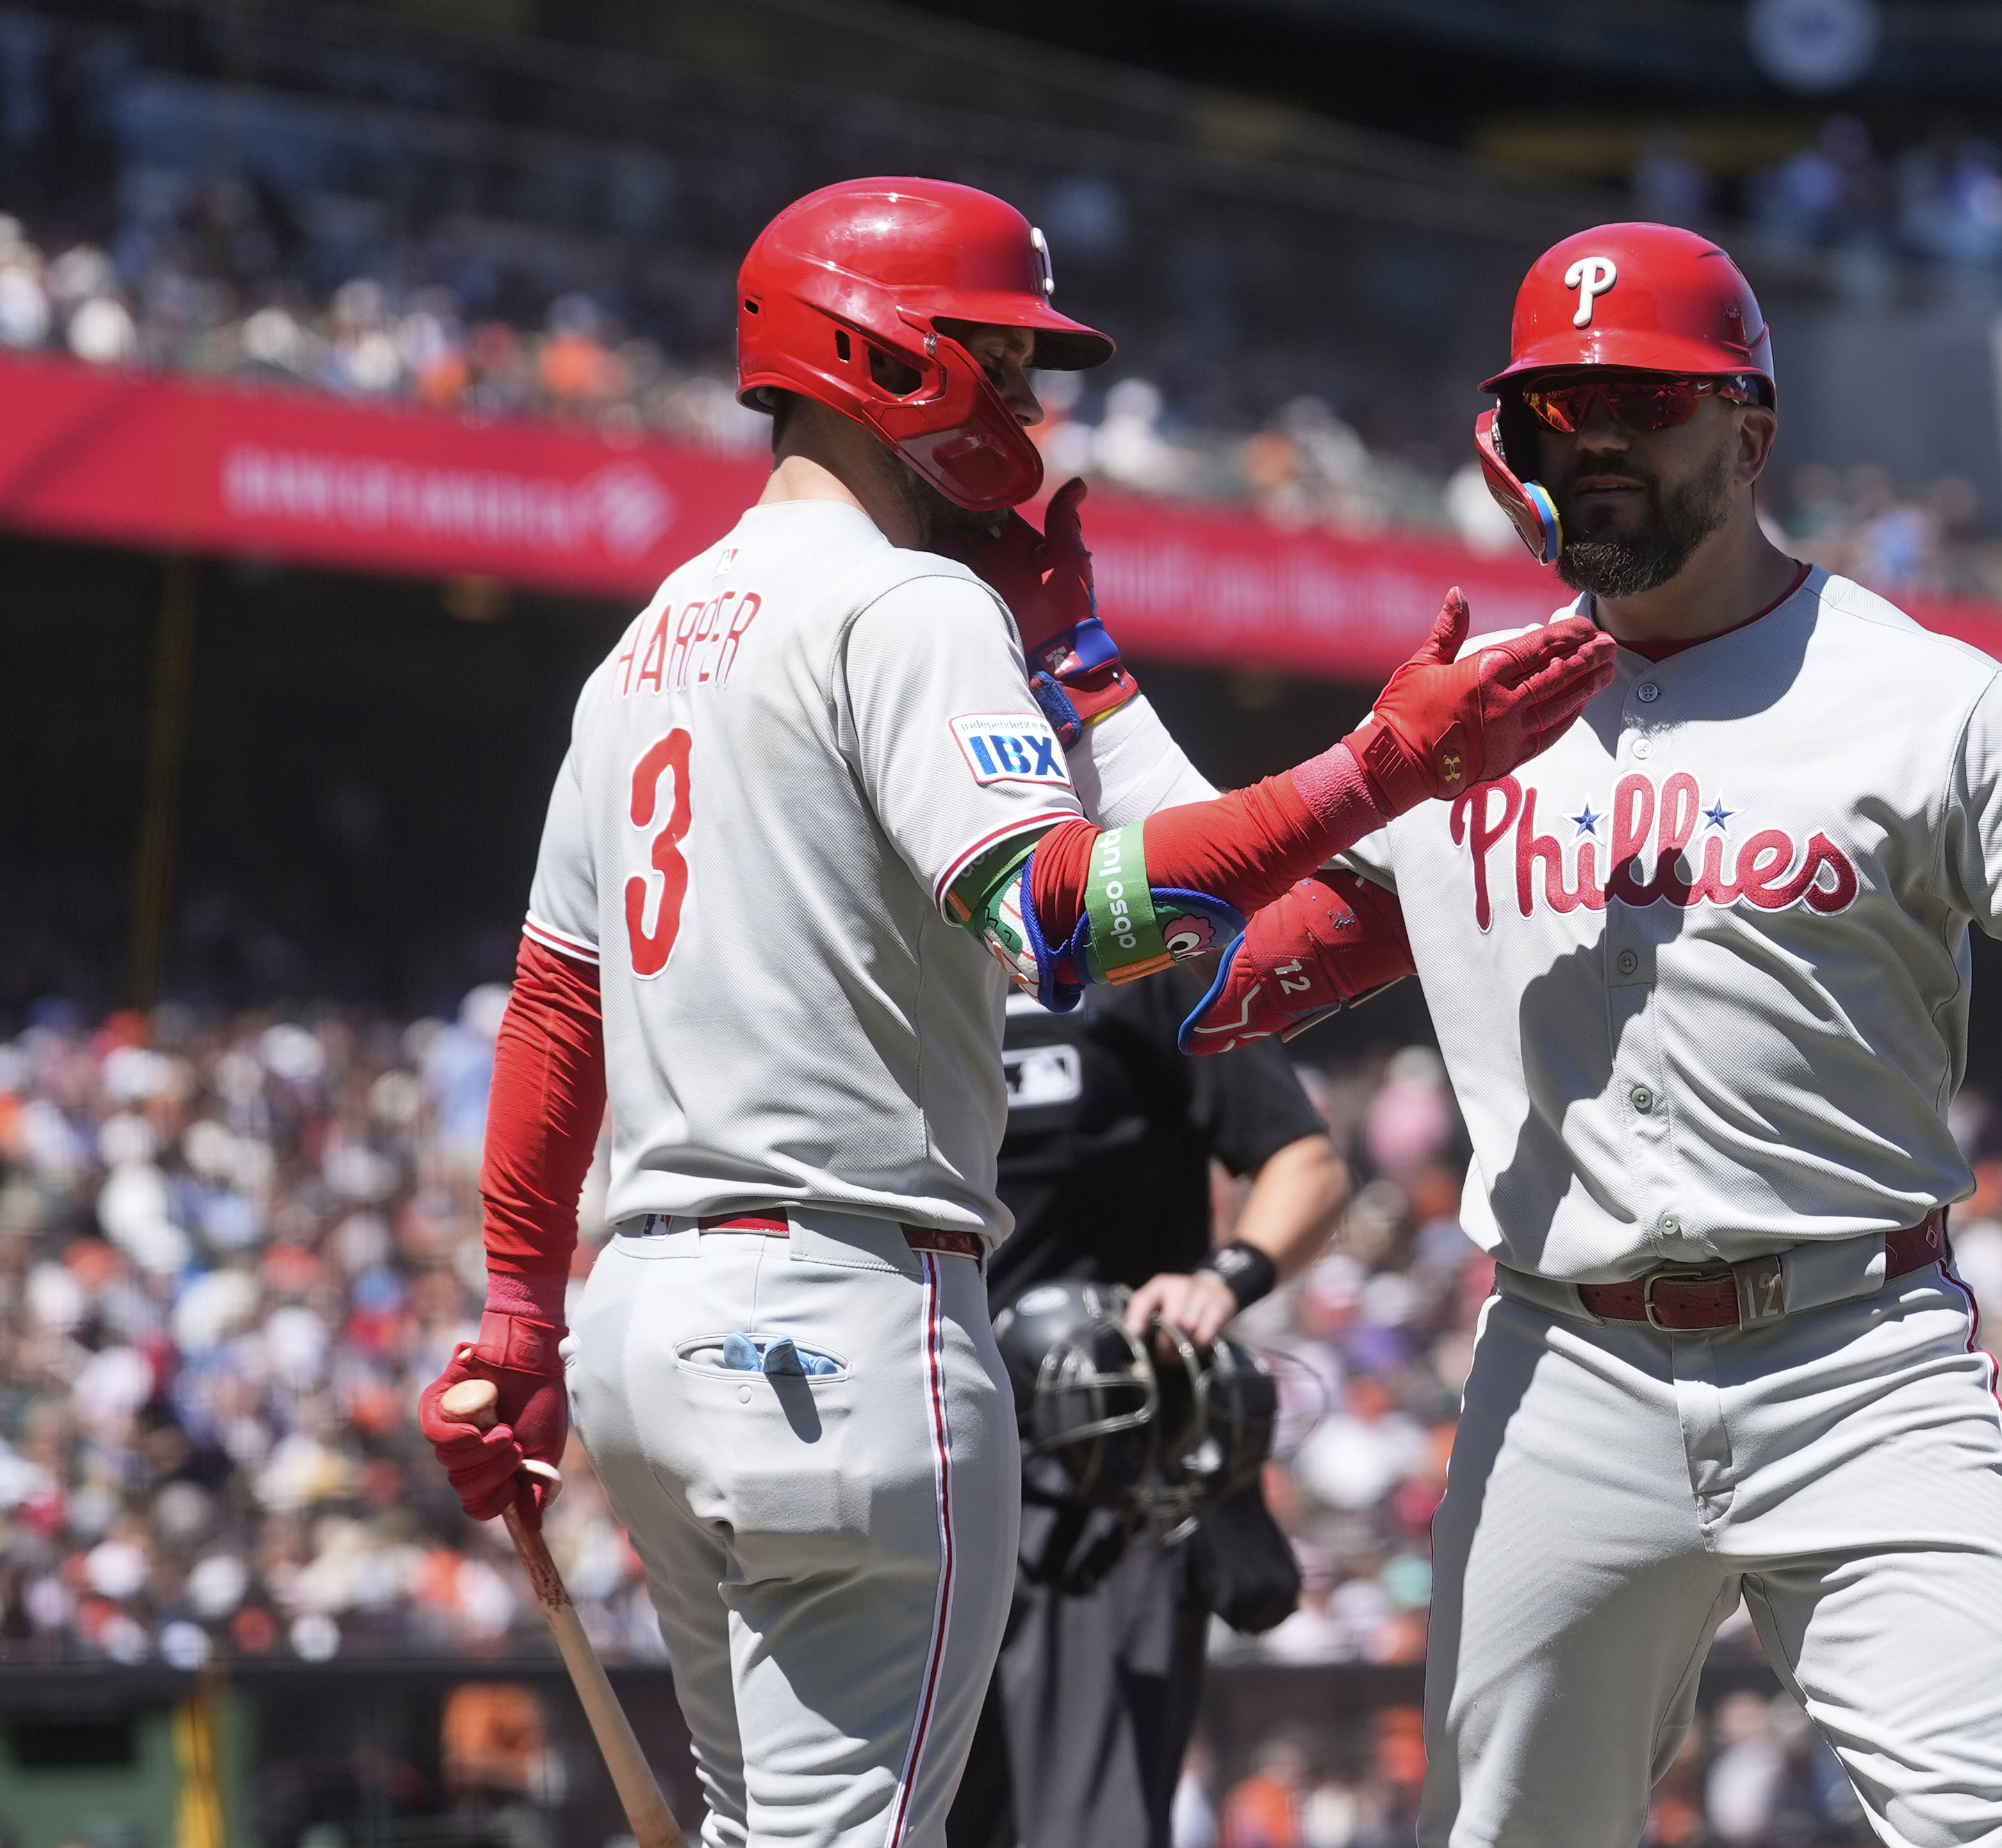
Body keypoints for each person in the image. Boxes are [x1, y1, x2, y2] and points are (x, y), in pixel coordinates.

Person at [1185, 222, 2002, 1848]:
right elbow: (1231, 977)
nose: (1589, 448)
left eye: (1639, 406)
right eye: (1550, 413)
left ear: (1748, 426)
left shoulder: (1920, 695)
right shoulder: (1457, 720)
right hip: (1562, 1359)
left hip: (1855, 1351)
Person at [413, 176, 1614, 1848]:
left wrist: (521, 1320)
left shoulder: (641, 651)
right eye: (999, 355)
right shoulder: (910, 607)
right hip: (848, 1314)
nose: (1031, 405)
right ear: (882, 356)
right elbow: (1062, 910)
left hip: (647, 1327)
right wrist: (1371, 769)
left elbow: (554, 1008)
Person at [947, 967, 1350, 1848]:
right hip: (920, 1449)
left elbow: (1306, 1162)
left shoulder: (1134, 959)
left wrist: (1224, 1276)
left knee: (1091, 1829)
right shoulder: (881, 943)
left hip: (1102, 1462)